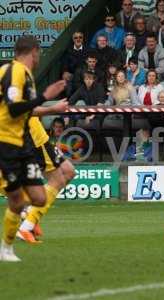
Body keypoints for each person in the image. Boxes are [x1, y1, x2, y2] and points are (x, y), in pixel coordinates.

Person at [0, 35, 67, 260]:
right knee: (20, 198)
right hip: (8, 143)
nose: (39, 58)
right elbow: (14, 109)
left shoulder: (24, 74)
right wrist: (46, 100)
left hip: (23, 142)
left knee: (38, 198)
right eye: (39, 54)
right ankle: (7, 247)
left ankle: (25, 219)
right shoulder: (14, 72)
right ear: (34, 52)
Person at [61, 31, 88, 95]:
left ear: (83, 39)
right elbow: (64, 63)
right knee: (67, 78)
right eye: (76, 38)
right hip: (72, 74)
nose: (78, 39)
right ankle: (70, 101)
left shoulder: (88, 50)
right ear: (73, 39)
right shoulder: (68, 51)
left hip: (84, 74)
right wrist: (65, 71)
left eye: (80, 37)